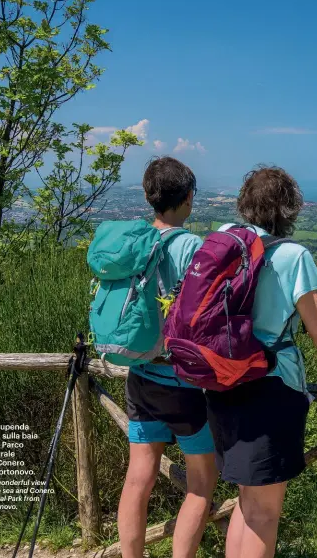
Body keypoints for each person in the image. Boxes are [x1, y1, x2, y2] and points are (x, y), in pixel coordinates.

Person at [204, 165, 317, 558]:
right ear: (290, 209)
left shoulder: (221, 243)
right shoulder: (291, 255)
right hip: (267, 390)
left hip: (219, 382)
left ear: (244, 205)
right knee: (265, 513)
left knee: (249, 503)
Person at [118, 157, 218, 558]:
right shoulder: (189, 244)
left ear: (149, 197)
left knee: (137, 480)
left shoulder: (136, 242)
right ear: (189, 198)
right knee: (201, 483)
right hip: (181, 384)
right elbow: (202, 312)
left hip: (140, 377)